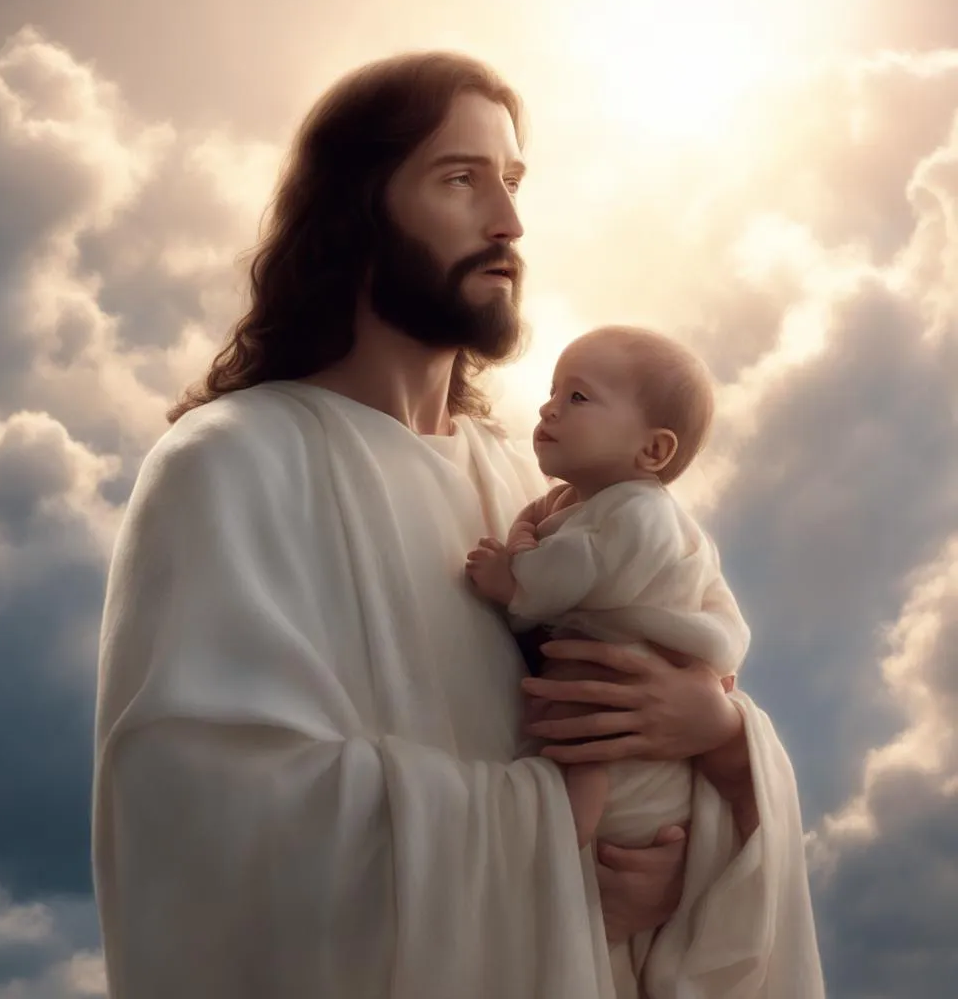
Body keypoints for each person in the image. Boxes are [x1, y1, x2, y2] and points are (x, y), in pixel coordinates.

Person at [91, 52, 824, 998]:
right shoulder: (230, 465)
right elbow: (210, 833)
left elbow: (683, 735)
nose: (509, 223)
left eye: (513, 184)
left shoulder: (546, 490)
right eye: (460, 178)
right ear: (359, 208)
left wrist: (715, 756)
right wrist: (553, 859)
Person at [466, 325, 760, 993]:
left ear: (653, 451)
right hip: (612, 667)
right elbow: (540, 525)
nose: (548, 409)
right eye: (550, 392)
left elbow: (575, 569)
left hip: (615, 669)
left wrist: (510, 580)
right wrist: (524, 536)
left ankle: (561, 846)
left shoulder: (638, 513)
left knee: (582, 750)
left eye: (577, 397)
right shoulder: (585, 500)